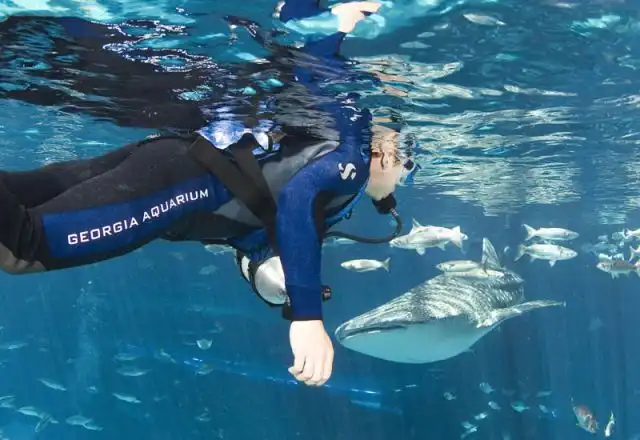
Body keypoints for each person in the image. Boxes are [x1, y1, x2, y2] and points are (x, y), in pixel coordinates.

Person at [0, 0, 414, 387]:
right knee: (24, 247)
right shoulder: (353, 158)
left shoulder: (341, 183)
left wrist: (272, 276)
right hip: (181, 183)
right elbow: (296, 197)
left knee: (16, 194)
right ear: (388, 155)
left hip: (174, 166)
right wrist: (307, 316)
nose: (404, 179)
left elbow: (261, 228)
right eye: (408, 167)